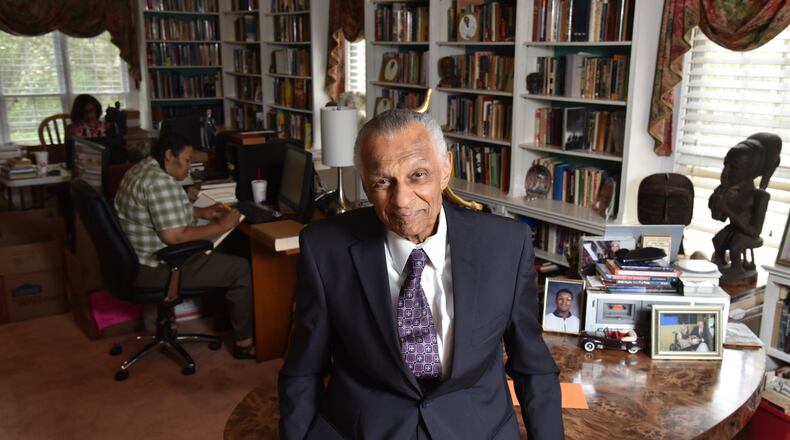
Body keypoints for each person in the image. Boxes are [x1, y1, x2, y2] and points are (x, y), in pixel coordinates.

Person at [279, 109, 563, 439]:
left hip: (477, 429)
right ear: (365, 184)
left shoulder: (507, 245)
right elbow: (303, 371)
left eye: (418, 175)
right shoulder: (324, 248)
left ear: (445, 169)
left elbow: (533, 367)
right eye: (382, 182)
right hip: (364, 430)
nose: (401, 200)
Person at [113, 133, 255, 359]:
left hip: (133, 262)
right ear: (170, 155)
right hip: (159, 267)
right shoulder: (159, 183)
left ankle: (226, 320)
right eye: (188, 160)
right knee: (241, 269)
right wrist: (222, 225)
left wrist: (202, 212)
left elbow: (162, 211)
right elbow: (177, 237)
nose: (191, 166)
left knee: (225, 251)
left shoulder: (141, 170)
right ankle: (244, 344)